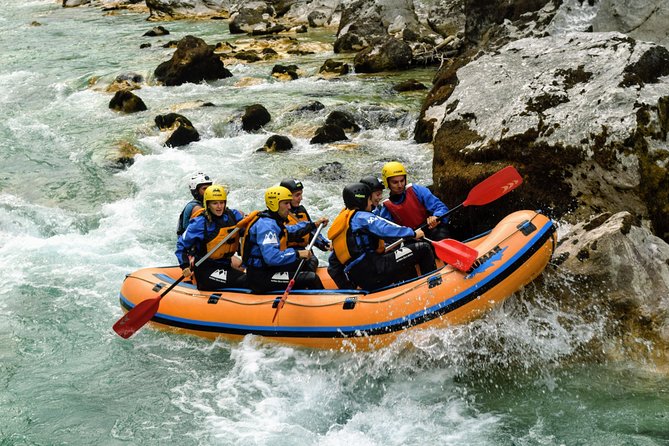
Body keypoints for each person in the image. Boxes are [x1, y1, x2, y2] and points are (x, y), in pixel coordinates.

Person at [327, 182, 437, 290]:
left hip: (361, 279)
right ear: (361, 201)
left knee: (402, 260)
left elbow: (333, 267)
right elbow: (384, 229)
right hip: (375, 270)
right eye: (369, 199)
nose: (371, 203)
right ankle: (434, 287)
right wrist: (412, 233)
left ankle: (409, 292)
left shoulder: (343, 225)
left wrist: (349, 289)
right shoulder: (361, 217)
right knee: (423, 248)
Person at [241, 185, 327, 293]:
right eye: (286, 203)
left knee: (309, 261)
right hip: (261, 277)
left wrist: (314, 224)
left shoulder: (273, 221)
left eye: (289, 203)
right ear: (274, 204)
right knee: (311, 278)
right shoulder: (266, 227)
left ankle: (300, 292)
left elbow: (290, 230)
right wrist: (297, 254)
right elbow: (271, 257)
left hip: (270, 269)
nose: (289, 207)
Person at [176, 184, 247, 290]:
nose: (219, 206)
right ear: (208, 204)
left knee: (252, 279)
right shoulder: (200, 223)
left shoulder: (232, 216)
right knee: (245, 281)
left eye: (221, 202)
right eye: (215, 203)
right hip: (206, 270)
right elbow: (181, 245)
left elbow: (250, 225)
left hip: (225, 266)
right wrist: (185, 265)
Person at [378, 161, 451, 240]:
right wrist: (408, 235)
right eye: (395, 182)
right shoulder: (386, 208)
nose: (400, 185)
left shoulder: (417, 191)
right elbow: (388, 233)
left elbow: (441, 207)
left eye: (402, 181)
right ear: (387, 183)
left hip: (431, 229)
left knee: (441, 234)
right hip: (412, 238)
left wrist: (436, 216)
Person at [280, 178, 331, 272]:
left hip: (304, 252)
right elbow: (287, 233)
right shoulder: (278, 215)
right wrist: (314, 224)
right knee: (306, 262)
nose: (301, 198)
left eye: (301, 194)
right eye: (297, 195)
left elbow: (311, 233)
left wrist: (325, 244)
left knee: (312, 260)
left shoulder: (301, 211)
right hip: (286, 253)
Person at [177, 172, 213, 236]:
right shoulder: (196, 208)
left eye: (209, 188)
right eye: (204, 189)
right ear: (196, 191)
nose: (208, 191)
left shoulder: (203, 203)